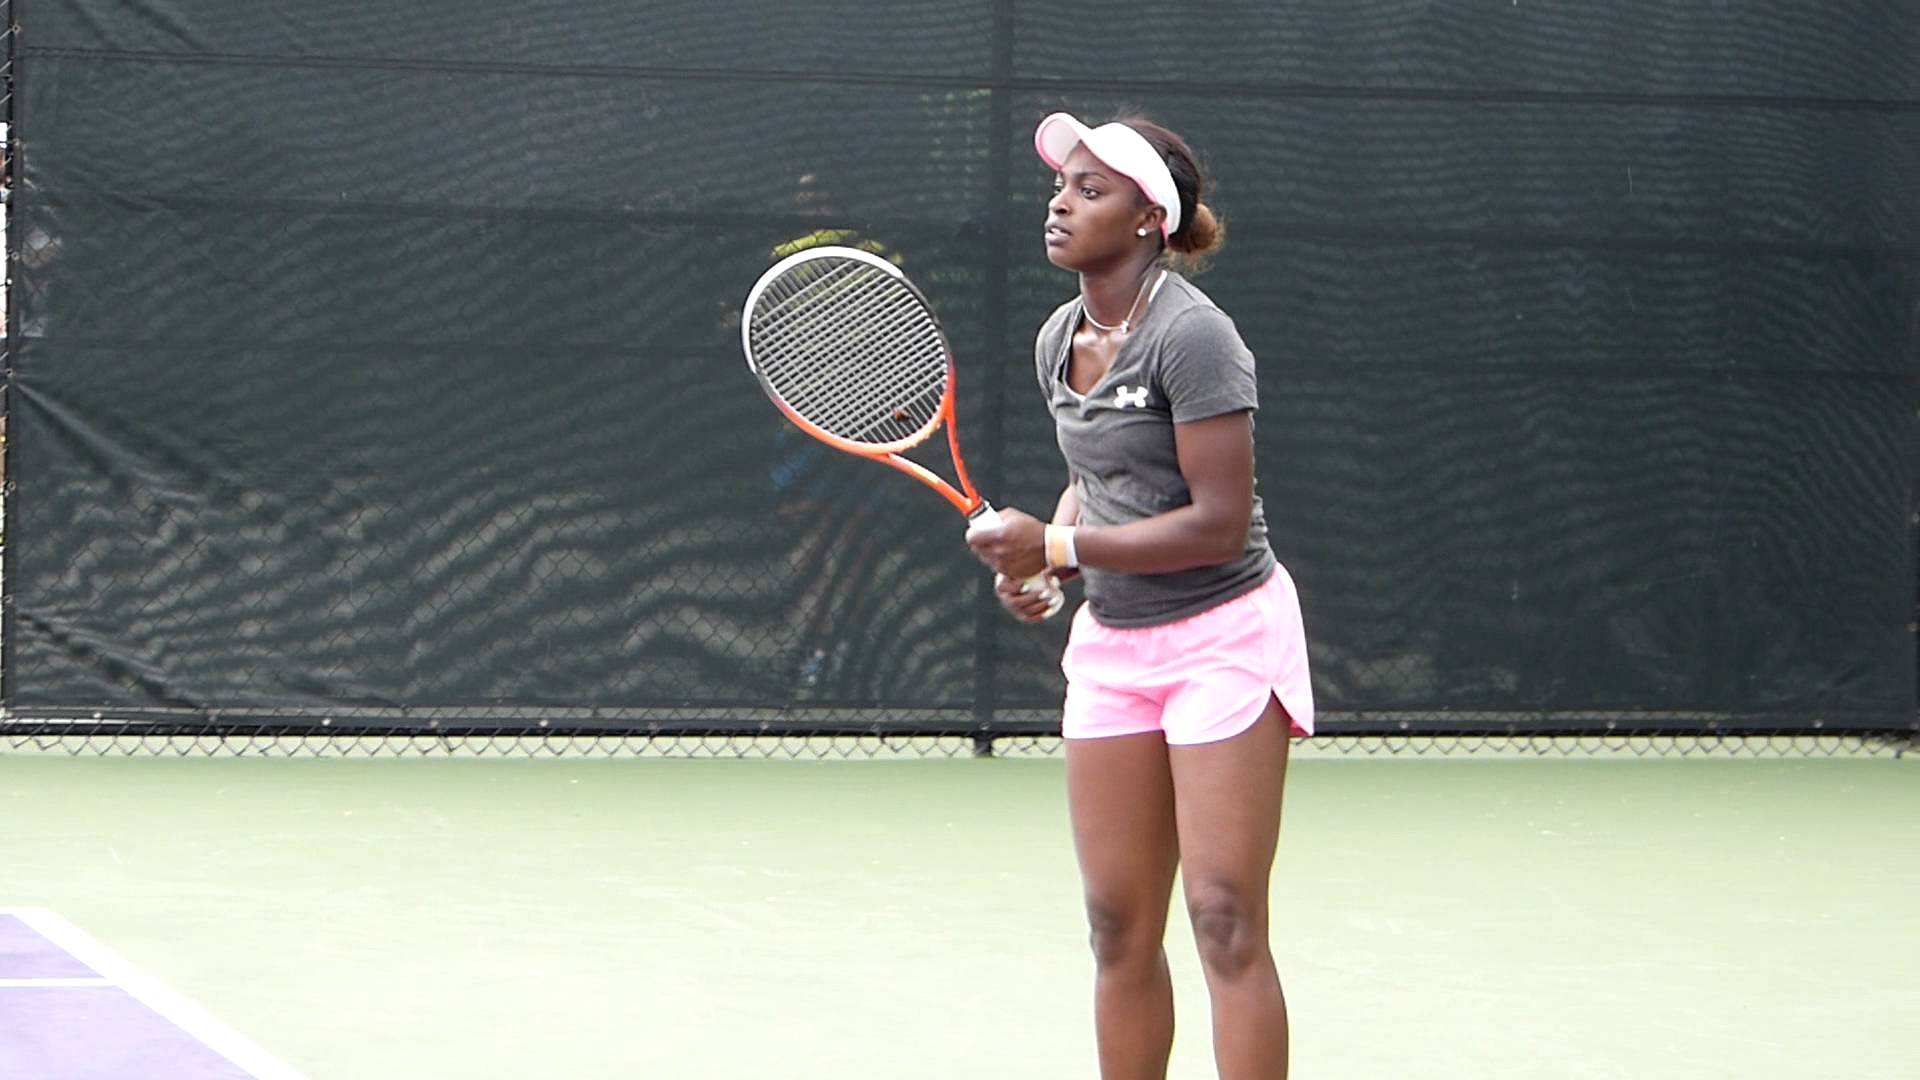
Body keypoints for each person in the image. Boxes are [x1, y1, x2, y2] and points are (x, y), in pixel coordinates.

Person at [965, 112, 1315, 1079]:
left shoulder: (1195, 337)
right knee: (1117, 923)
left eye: (1090, 189)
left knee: (1224, 918)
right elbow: (1096, 482)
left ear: (1149, 220)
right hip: (1116, 651)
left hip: (1226, 639)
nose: (1061, 201)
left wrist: (1065, 541)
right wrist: (1047, 563)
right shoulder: (1056, 339)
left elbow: (1215, 518)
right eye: (1061, 184)